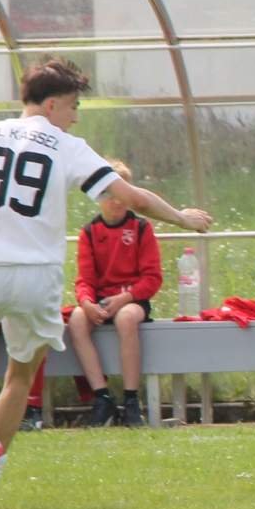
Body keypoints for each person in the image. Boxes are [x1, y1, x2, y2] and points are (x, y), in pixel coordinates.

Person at [0, 59, 212, 509]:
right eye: (73, 106)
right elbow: (132, 198)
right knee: (20, 378)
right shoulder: (69, 147)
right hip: (39, 279)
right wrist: (182, 217)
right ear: (52, 104)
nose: (75, 117)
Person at [67, 159, 161, 428]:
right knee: (76, 319)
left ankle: (131, 401)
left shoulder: (141, 228)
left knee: (126, 318)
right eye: (110, 194)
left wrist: (126, 297)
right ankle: (102, 399)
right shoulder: (89, 232)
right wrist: (87, 302)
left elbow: (152, 278)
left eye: (123, 193)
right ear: (98, 195)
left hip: (131, 300)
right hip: (102, 301)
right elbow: (84, 280)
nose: (117, 201)